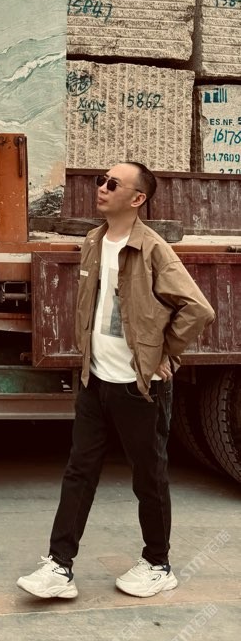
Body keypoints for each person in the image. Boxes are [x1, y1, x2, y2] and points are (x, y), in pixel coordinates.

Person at [17, 161, 215, 600]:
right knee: (79, 472)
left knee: (149, 477)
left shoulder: (153, 249)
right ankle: (59, 566)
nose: (101, 188)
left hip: (138, 385)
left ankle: (158, 563)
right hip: (96, 379)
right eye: (100, 181)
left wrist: (164, 354)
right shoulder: (94, 240)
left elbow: (198, 309)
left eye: (112, 183)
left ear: (137, 198)